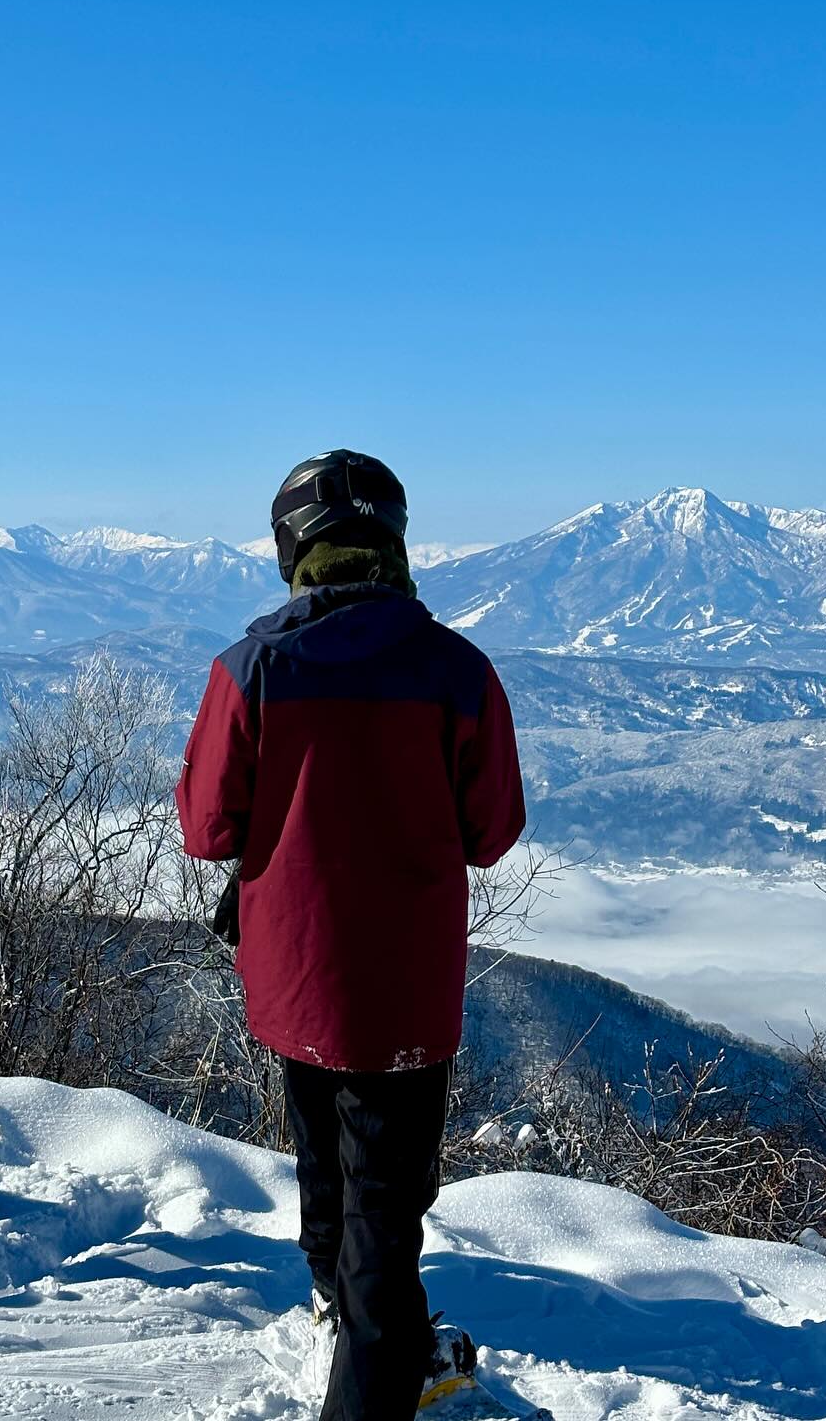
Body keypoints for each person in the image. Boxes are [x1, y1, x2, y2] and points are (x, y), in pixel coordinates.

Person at [177, 450, 527, 1419]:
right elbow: (493, 831)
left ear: (292, 547)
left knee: (322, 1150)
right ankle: (373, 1374)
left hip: (290, 973)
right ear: (396, 542)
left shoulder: (252, 665)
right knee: (387, 1200)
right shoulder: (458, 670)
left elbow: (206, 825)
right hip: (406, 986)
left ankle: (335, 1298)